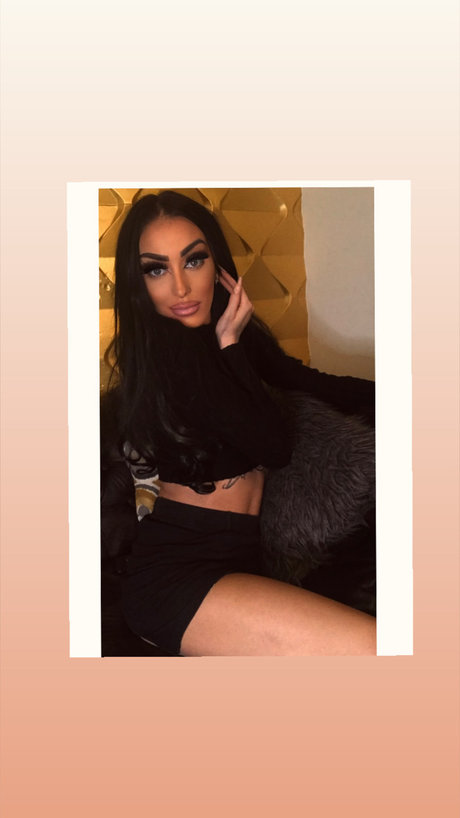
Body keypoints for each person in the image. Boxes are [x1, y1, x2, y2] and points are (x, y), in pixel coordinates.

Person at [104, 190, 376, 656]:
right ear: (138, 283)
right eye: (156, 269)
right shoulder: (167, 363)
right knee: (373, 650)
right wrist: (229, 344)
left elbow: (310, 382)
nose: (181, 287)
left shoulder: (234, 341)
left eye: (193, 260)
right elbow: (274, 446)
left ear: (218, 266)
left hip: (240, 563)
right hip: (177, 575)